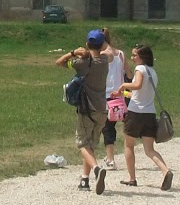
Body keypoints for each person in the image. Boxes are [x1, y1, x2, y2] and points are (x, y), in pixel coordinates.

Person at [55, 29, 110, 194]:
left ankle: (96, 169)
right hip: (102, 109)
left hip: (87, 109)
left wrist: (73, 53)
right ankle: (84, 180)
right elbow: (107, 50)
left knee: (82, 144)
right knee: (91, 145)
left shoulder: (83, 63)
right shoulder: (105, 60)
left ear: (87, 44)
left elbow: (59, 62)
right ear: (102, 45)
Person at [114, 43, 173, 191]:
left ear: (142, 57)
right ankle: (165, 171)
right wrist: (123, 94)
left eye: (135, 55)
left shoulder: (139, 69)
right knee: (149, 150)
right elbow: (138, 94)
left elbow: (138, 85)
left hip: (135, 113)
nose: (132, 58)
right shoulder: (152, 72)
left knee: (129, 145)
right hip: (149, 113)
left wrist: (123, 85)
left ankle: (132, 178)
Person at [99, 28, 126, 171]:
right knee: (111, 126)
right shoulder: (120, 54)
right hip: (119, 96)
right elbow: (128, 73)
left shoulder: (102, 54)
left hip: (106, 96)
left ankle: (110, 159)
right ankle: (111, 156)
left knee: (107, 128)